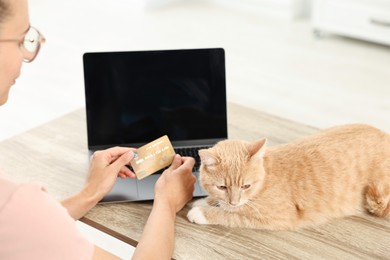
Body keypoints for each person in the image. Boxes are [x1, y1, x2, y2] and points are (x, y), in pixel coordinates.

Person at [0, 0, 196, 259]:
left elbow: (20, 232)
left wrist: (90, 192)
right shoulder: (14, 204)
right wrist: (167, 202)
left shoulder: (15, 213)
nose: (27, 55)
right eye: (22, 39)